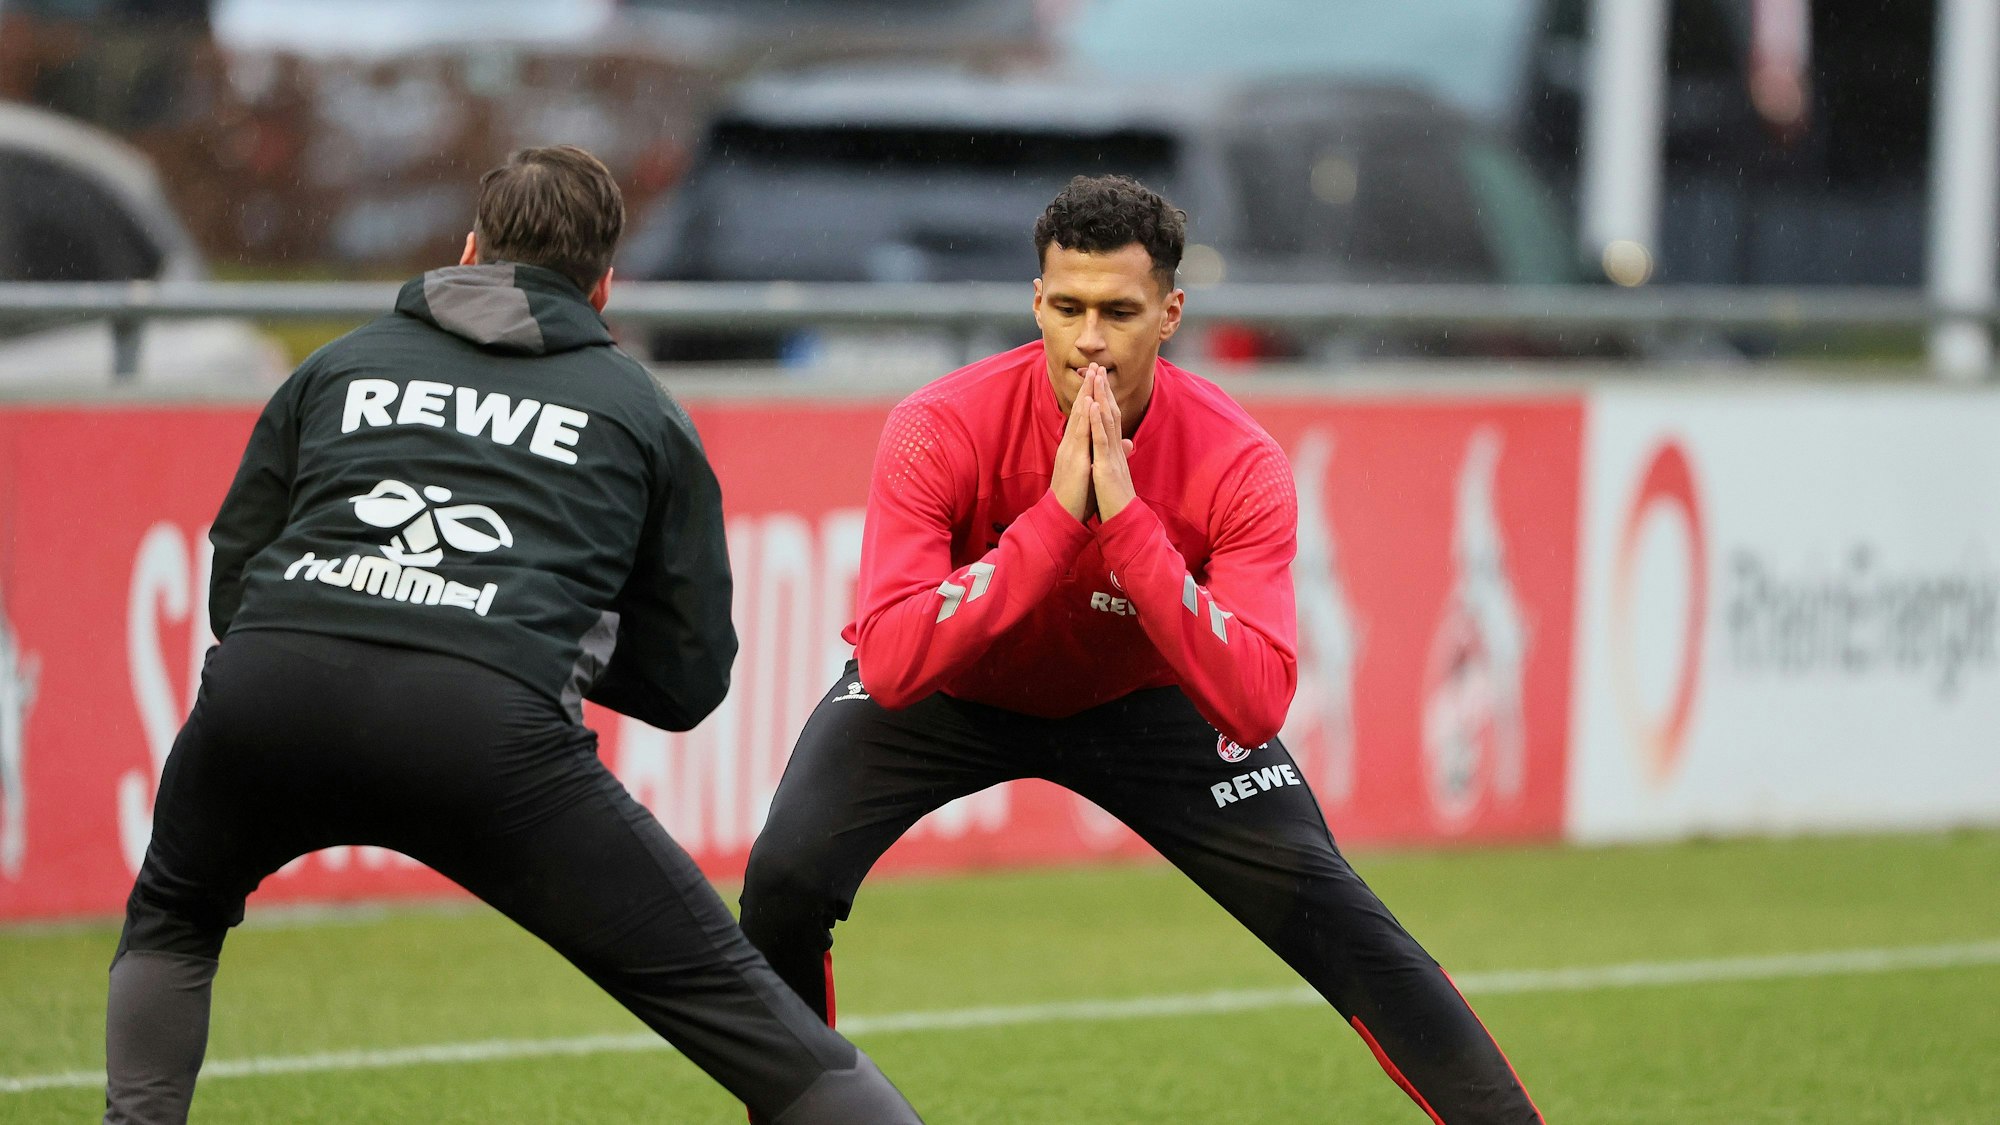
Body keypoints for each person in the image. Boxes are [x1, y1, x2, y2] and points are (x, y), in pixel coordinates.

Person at [103, 146, 922, 1125]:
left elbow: (237, 574)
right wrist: (533, 635)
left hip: (269, 691)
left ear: (466, 250)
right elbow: (690, 677)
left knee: (175, 920)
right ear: (604, 284)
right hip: (483, 728)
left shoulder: (337, 367)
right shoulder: (641, 412)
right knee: (743, 1016)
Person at [738, 175, 1545, 1123]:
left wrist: (1125, 524)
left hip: (1144, 699)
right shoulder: (936, 429)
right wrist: (1052, 522)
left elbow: (1253, 700)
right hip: (955, 689)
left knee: (1347, 924)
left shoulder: (1238, 463)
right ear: (1035, 302)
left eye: (1119, 312)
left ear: (1169, 315)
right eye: (1068, 308)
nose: (1089, 339)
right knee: (783, 880)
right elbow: (893, 661)